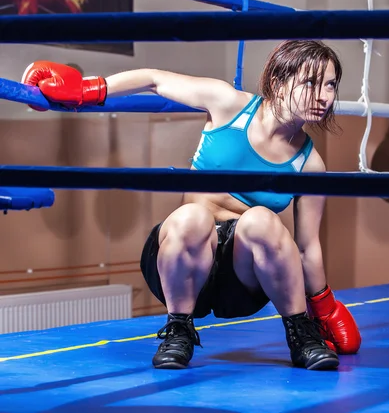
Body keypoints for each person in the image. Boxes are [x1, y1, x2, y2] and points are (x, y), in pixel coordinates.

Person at [21, 40, 362, 371]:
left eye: (331, 85)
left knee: (261, 220)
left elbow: (307, 247)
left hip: (240, 281)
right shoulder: (229, 104)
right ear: (278, 80)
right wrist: (89, 89)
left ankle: (300, 333)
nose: (324, 96)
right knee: (193, 217)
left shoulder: (309, 164)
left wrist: (325, 307)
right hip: (181, 263)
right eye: (311, 83)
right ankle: (178, 329)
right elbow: (154, 80)